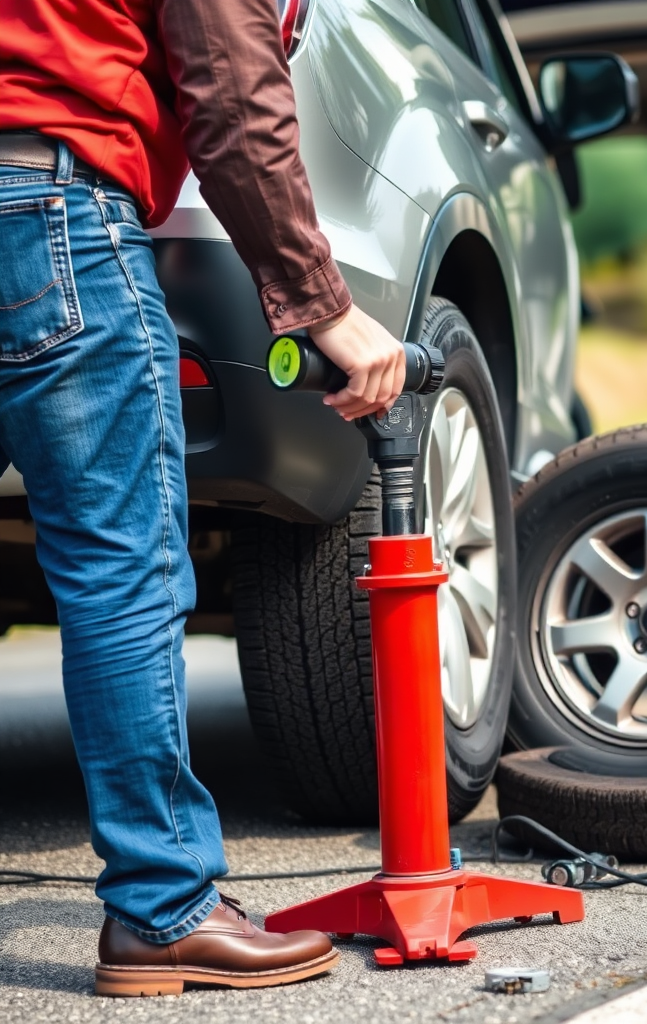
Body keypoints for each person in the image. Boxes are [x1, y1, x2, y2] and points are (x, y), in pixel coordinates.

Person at [0, 0, 405, 997]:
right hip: (47, 199)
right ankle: (163, 907)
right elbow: (233, 90)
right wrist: (326, 306)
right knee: (119, 567)